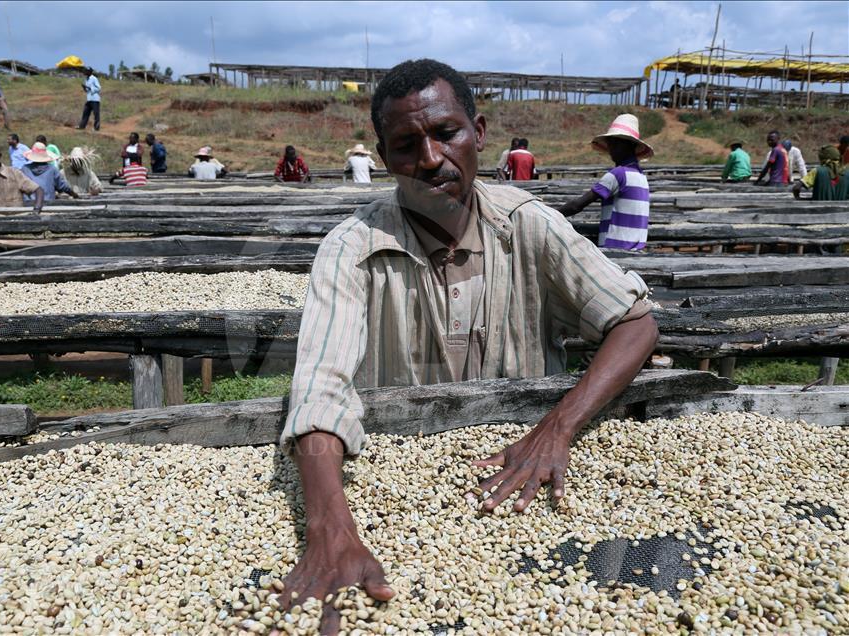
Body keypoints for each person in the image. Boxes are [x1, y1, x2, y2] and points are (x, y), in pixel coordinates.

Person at [277, 59, 657, 632]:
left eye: (446, 133)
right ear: (384, 159)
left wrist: (556, 429)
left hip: (529, 478)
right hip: (400, 480)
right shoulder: (351, 249)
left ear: (478, 133)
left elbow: (635, 320)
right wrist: (331, 528)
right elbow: (319, 388)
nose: (430, 159)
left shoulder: (530, 223)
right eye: (406, 145)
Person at [558, 114, 653, 251]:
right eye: (610, 144)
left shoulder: (618, 174)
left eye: (614, 144)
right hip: (635, 248)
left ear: (627, 145)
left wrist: (551, 214)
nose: (610, 149)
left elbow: (577, 206)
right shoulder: (640, 176)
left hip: (615, 249)